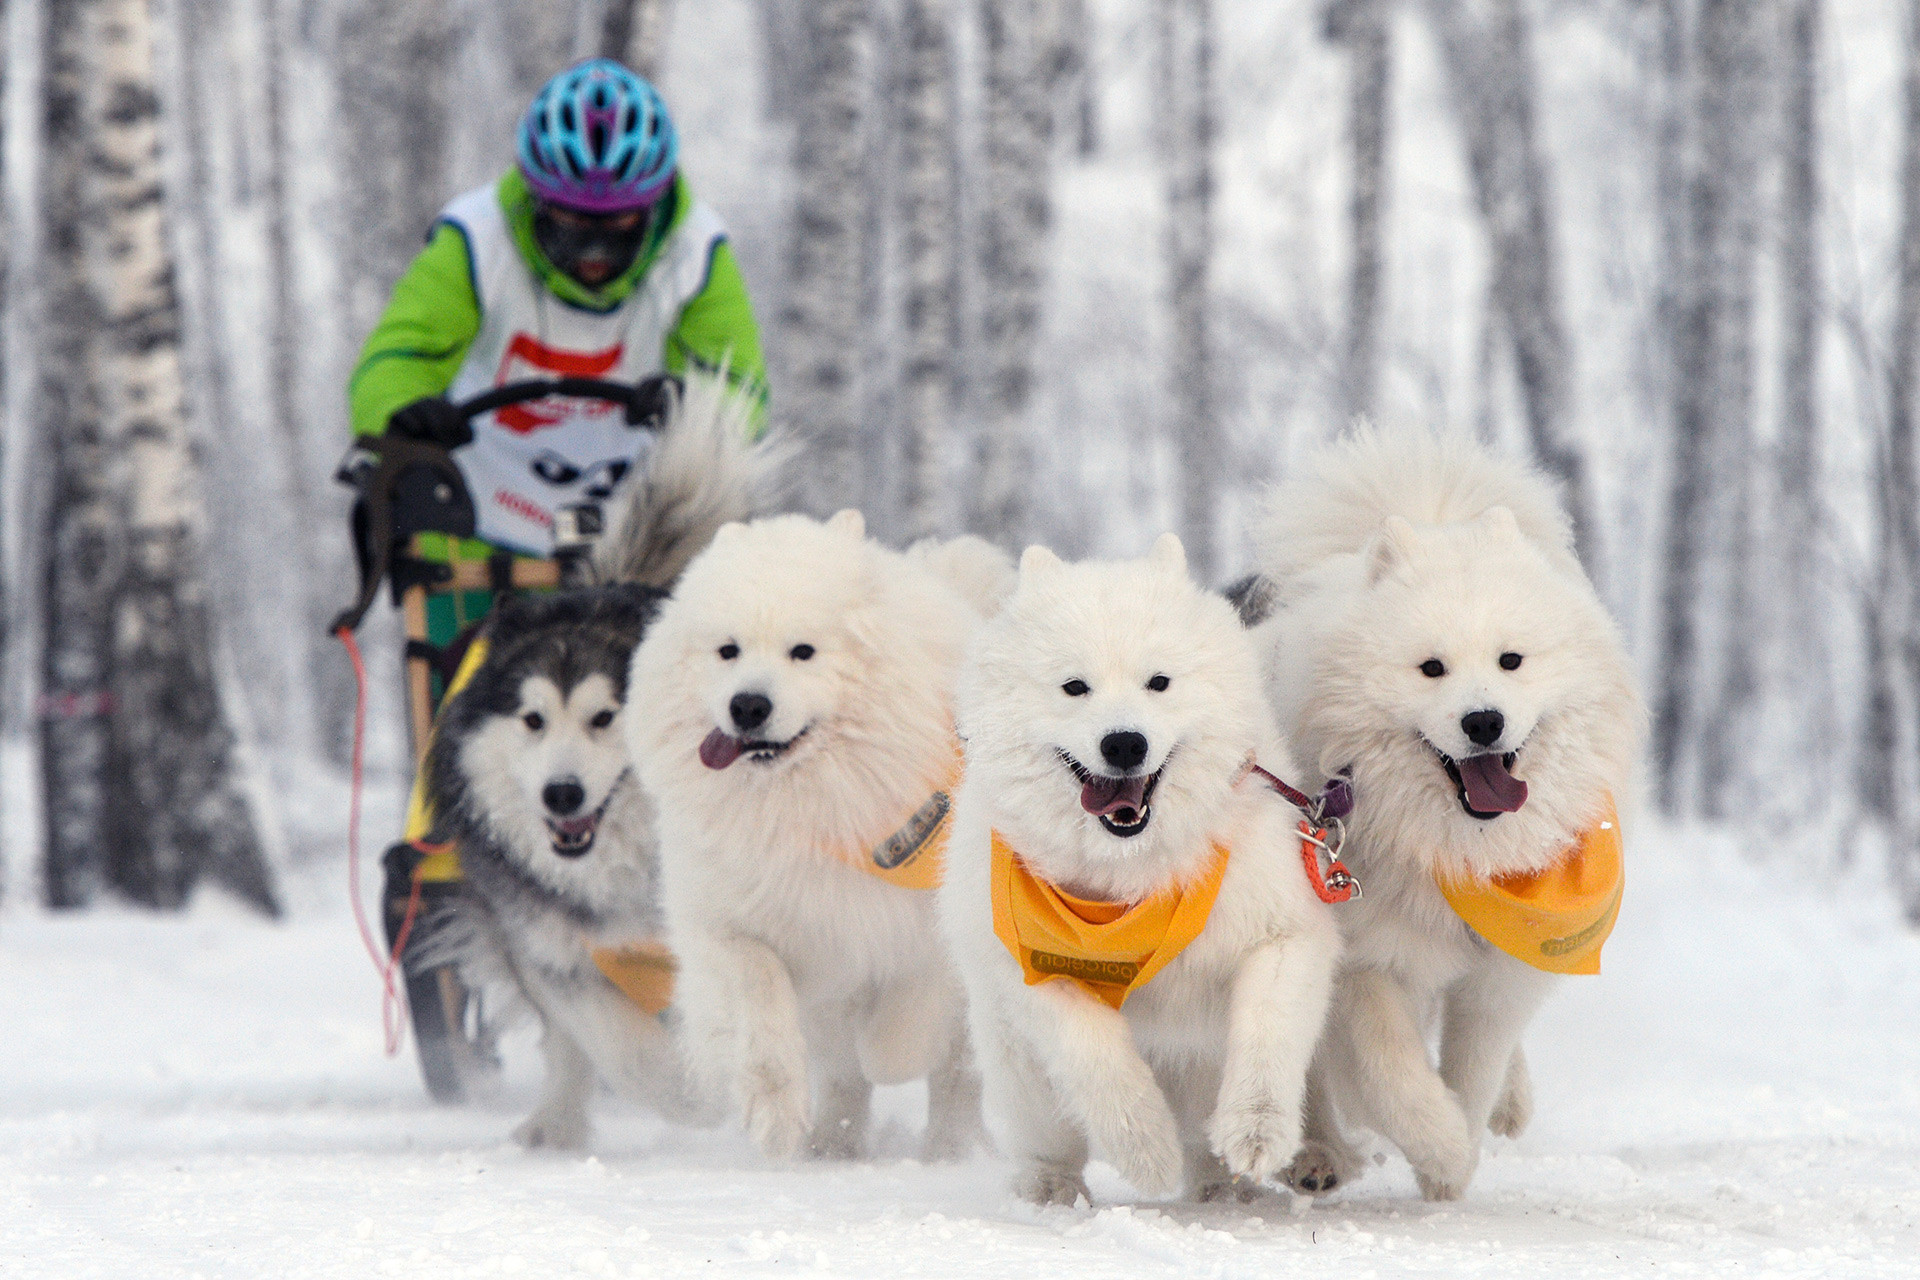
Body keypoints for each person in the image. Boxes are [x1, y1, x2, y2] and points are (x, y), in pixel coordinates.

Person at [344, 58, 766, 1101]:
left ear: (650, 212)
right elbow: (394, 357)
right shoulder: (475, 238)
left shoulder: (695, 250)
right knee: (470, 712)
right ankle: (448, 885)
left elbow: (738, 393)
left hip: (625, 529)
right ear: (534, 202)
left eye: (613, 226)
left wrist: (699, 395)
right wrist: (407, 419)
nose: (588, 246)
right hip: (478, 518)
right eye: (569, 222)